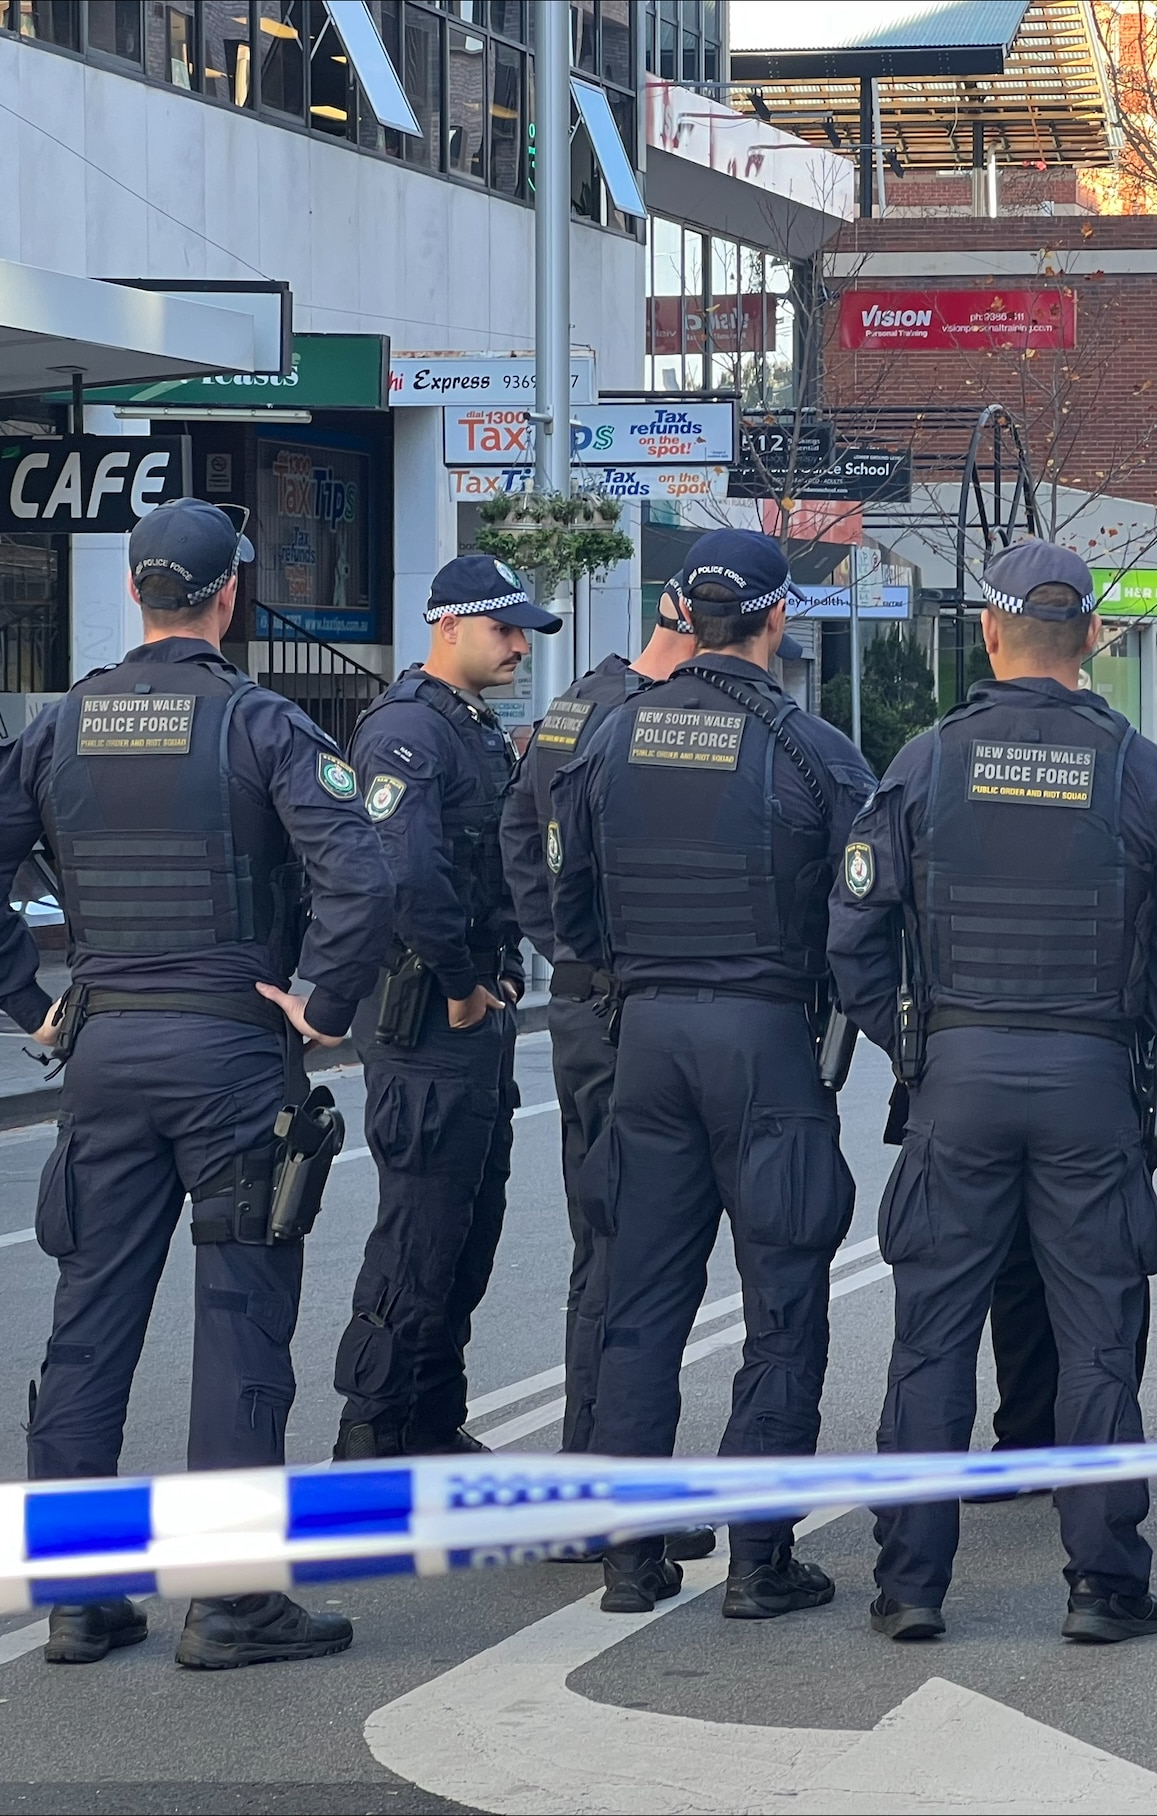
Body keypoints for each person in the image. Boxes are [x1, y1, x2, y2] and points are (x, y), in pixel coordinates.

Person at [0, 498, 392, 1669]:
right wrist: (322, 1002)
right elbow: (360, 875)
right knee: (239, 1322)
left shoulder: (60, 726)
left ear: (137, 591)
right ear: (229, 593)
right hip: (230, 1050)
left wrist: (32, 1003)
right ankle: (229, 1599)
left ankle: (81, 1595)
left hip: (108, 1053)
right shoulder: (260, 722)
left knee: (89, 1316)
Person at [829, 537, 1157, 1644]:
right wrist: (1142, 1043)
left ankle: (910, 1586)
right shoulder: (1144, 771)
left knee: (930, 1338)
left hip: (958, 1077)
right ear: (1094, 636)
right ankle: (1104, 1586)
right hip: (1092, 1081)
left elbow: (853, 938)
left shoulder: (926, 760)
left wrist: (915, 1051)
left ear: (990, 633)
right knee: (1095, 1337)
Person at [550, 528, 875, 1622]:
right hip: (766, 1043)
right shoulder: (813, 752)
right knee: (782, 1299)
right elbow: (864, 918)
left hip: (644, 1040)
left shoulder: (604, 739)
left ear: (683, 615)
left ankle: (630, 1558)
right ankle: (758, 1559)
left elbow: (569, 916)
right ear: (778, 620)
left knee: (639, 1303)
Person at [331, 555, 553, 1461]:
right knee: (418, 1237)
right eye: (503, 629)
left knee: (466, 1234)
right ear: (448, 626)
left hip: (468, 1017)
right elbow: (406, 874)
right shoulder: (407, 734)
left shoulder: (471, 727)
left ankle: (429, 1419)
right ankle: (373, 1435)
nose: (517, 647)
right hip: (426, 1016)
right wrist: (463, 985)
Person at [501, 585, 696, 1457]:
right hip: (631, 1008)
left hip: (587, 1002)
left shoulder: (575, 702)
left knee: (606, 1241)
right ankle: (600, 1475)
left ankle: (595, 1457)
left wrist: (563, 950)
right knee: (631, 1246)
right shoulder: (647, 720)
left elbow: (516, 836)